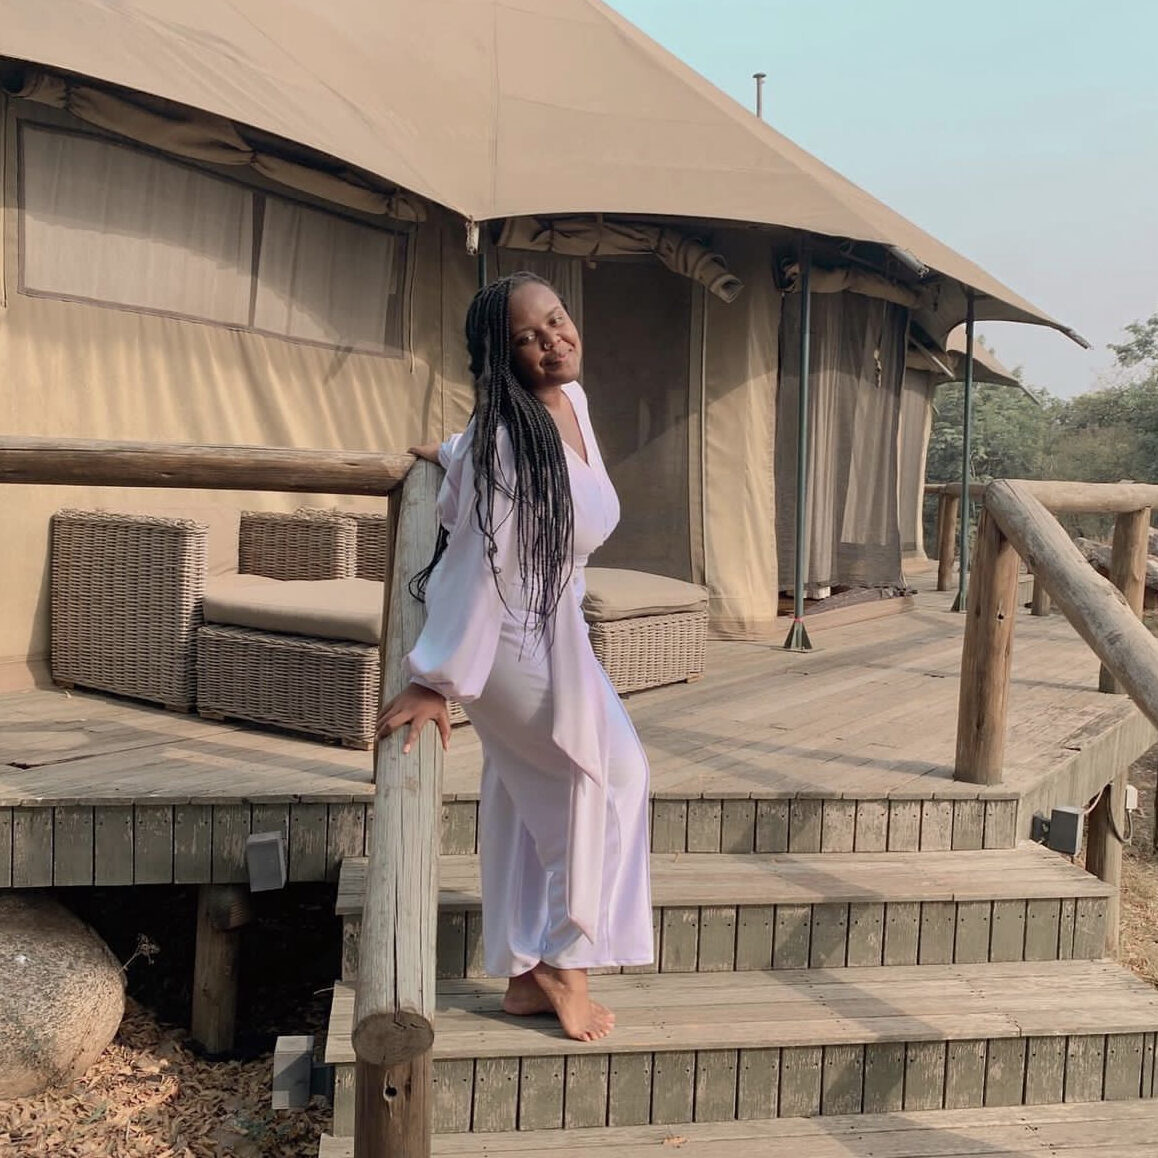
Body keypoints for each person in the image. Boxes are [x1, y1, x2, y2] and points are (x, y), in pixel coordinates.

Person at [376, 271, 652, 1042]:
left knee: (529, 794)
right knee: (609, 775)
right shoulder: (504, 441)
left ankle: (527, 972)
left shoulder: (568, 404)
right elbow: (478, 565)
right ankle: (567, 959)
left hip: (551, 623)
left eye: (557, 322)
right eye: (528, 338)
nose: (552, 342)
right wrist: (435, 683)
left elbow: (499, 460)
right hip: (505, 637)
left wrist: (449, 450)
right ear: (503, 357)